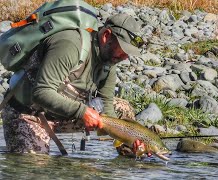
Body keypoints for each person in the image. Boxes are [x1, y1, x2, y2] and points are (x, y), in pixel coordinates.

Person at [1, 13, 145, 155]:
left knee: (122, 108)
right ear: (106, 35)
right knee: (37, 173)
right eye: (124, 49)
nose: (125, 57)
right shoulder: (70, 44)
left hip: (61, 114)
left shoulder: (109, 61)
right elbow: (41, 92)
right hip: (27, 114)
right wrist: (83, 112)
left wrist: (131, 138)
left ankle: (131, 153)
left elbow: (107, 106)